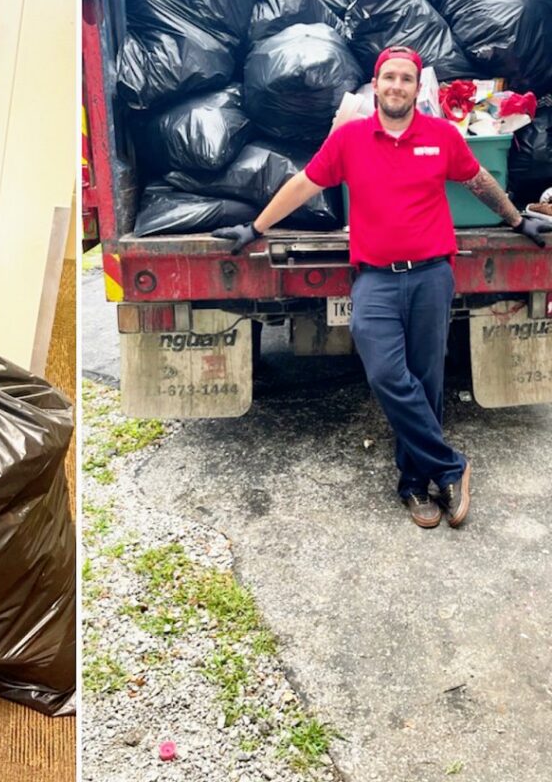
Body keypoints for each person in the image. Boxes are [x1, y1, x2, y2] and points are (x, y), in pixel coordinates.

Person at [213, 45, 551, 529]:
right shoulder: (350, 139)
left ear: (418, 88)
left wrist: (519, 221)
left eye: (406, 79)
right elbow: (304, 184)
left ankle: (414, 486)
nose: (396, 86)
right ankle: (451, 466)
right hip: (374, 280)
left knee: (428, 381)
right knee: (388, 376)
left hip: (432, 275)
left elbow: (477, 180)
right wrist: (257, 227)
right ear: (377, 86)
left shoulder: (440, 136)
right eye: (388, 77)